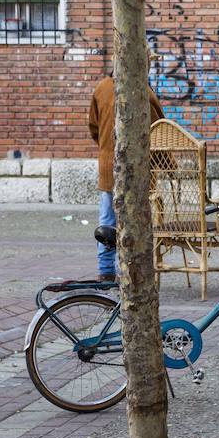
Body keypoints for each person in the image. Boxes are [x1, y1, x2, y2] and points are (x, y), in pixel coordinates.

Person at [88, 52, 165, 281]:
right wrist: (169, 166)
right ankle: (132, 271)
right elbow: (159, 132)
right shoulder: (144, 92)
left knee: (108, 219)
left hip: (108, 165)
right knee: (134, 221)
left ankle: (105, 271)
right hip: (137, 169)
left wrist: (105, 148)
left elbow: (93, 125)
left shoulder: (102, 87)